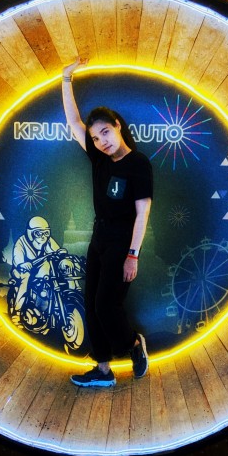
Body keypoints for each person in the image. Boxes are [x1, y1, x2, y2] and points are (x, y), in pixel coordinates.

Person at [62, 57, 153, 387]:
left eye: (105, 132)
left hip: (122, 241)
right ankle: (102, 371)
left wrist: (132, 255)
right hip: (99, 237)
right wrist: (66, 78)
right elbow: (74, 122)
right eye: (96, 137)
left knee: (105, 306)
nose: (102, 141)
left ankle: (133, 344)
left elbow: (143, 213)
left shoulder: (138, 163)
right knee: (90, 305)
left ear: (117, 126)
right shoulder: (99, 158)